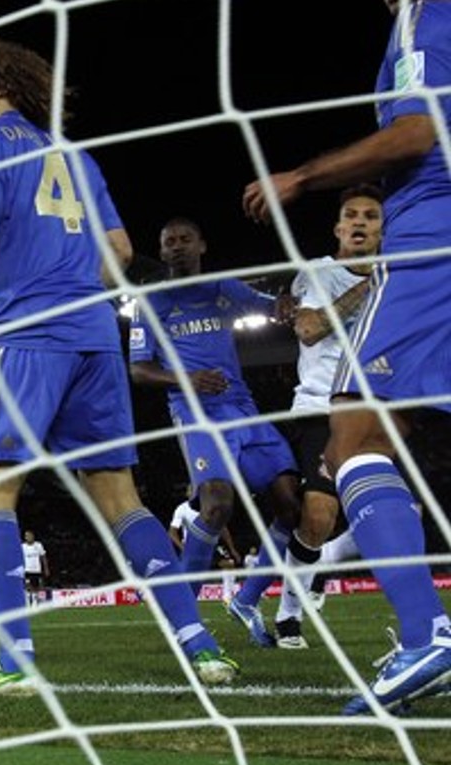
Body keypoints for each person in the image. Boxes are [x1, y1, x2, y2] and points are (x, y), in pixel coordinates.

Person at [0, 35, 238, 697]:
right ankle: (203, 647)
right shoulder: (77, 155)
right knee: (121, 498)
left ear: (1, 83)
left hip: (26, 335)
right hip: (96, 337)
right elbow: (120, 250)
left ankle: (15, 660)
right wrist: (72, 294)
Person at [241, 0, 451, 714]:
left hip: (431, 246)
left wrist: (303, 177)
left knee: (355, 439)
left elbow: (417, 133)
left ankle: (427, 635)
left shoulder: (426, 14)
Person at [128, 217, 302, 649]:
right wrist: (187, 379)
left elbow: (271, 307)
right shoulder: (150, 302)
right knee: (218, 504)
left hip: (243, 408)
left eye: (185, 239)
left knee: (290, 507)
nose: (177, 246)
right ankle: (183, 617)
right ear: (162, 252)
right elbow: (139, 370)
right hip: (195, 411)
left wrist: (283, 302)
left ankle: (246, 600)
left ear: (202, 245)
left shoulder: (225, 288)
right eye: (169, 242)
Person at [272, 184, 384, 650]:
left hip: (380, 410)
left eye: (371, 216)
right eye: (351, 215)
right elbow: (310, 328)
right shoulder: (319, 272)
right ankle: (289, 612)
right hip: (323, 406)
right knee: (318, 514)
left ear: (383, 231)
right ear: (338, 228)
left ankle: (321, 566)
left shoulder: (400, 279)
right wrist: (373, 284)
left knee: (396, 514)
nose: (359, 222)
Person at [168, 495, 241, 602]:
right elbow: (172, 532)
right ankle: (181, 600)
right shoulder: (182, 509)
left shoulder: (211, 506)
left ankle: (227, 598)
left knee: (229, 564)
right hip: (192, 547)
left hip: (211, 543)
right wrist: (183, 548)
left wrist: (232, 548)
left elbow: (223, 528)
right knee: (188, 576)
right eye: (191, 490)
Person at [20, 530, 50, 606]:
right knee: (27, 586)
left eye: (30, 535)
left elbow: (43, 557)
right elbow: (19, 558)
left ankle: (35, 601)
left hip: (36, 569)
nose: (28, 537)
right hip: (27, 569)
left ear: (33, 536)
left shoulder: (38, 545)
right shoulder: (22, 546)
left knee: (37, 586)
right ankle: (28, 601)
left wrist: (46, 568)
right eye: (26, 536)